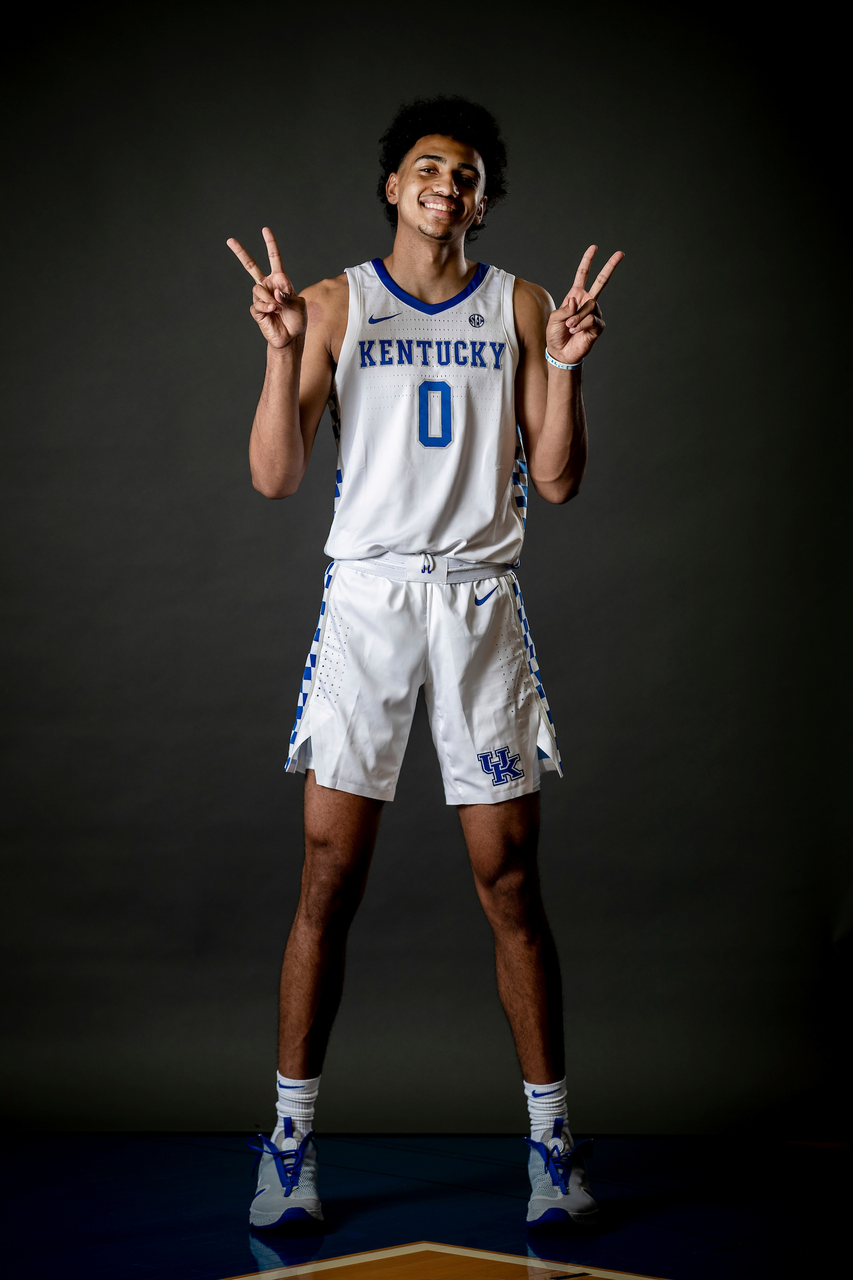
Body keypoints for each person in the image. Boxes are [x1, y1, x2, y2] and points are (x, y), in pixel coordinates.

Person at [227, 94, 623, 1234]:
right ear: (393, 187)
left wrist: (569, 367)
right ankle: (291, 1143)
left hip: (479, 602)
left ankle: (551, 1148)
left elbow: (554, 480)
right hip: (370, 603)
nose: (449, 186)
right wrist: (279, 353)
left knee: (509, 879)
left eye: (468, 177)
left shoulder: (524, 305)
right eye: (428, 168)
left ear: (481, 205)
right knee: (326, 878)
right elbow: (272, 476)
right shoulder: (332, 302)